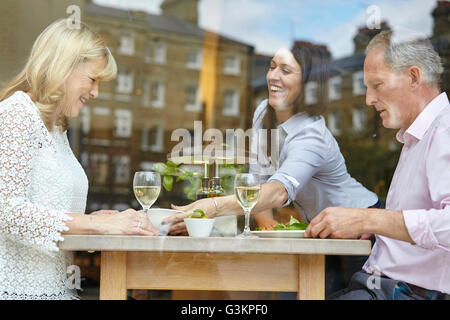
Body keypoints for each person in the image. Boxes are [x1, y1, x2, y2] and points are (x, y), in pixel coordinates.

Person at [166, 45, 383, 296]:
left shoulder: (312, 136)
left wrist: (211, 209)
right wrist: (268, 239)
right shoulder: (263, 112)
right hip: (323, 231)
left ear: (308, 86)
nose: (273, 76)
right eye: (272, 66)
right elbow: (258, 182)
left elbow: (278, 192)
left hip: (362, 231)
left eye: (286, 70)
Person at [0, 19, 158, 300]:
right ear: (64, 67)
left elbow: (49, 209)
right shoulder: (16, 114)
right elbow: (8, 212)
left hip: (55, 291)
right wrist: (99, 225)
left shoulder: (56, 127)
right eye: (92, 79)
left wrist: (94, 219)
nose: (96, 92)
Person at [305, 30, 449, 300]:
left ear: (413, 77)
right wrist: (376, 225)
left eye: (377, 85)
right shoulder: (418, 135)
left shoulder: (445, 130)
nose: (368, 99)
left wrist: (368, 218)